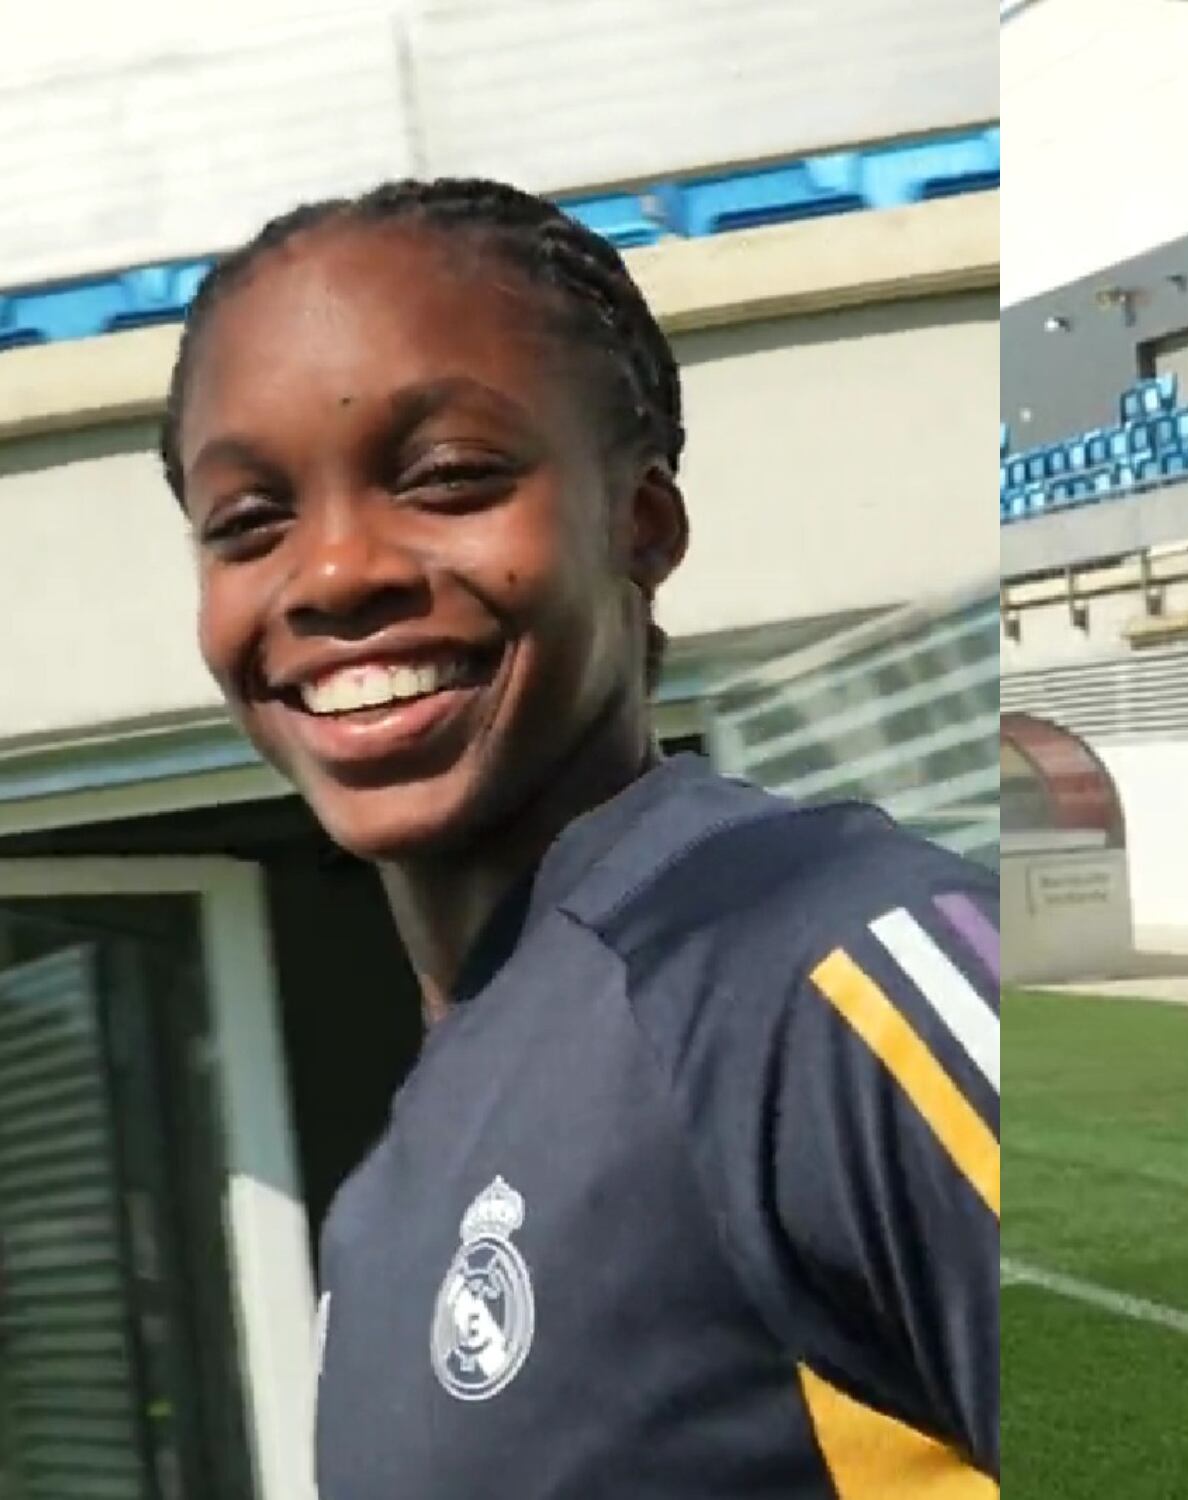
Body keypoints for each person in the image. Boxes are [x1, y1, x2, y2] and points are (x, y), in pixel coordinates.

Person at [160, 179, 999, 1499]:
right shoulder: (377, 1218)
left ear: (642, 526)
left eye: (446, 478)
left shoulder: (830, 969)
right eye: (249, 524)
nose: (333, 574)